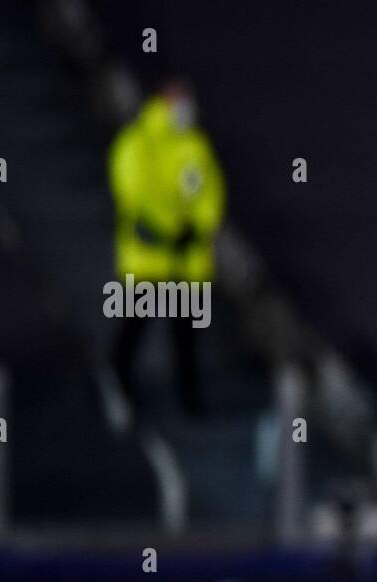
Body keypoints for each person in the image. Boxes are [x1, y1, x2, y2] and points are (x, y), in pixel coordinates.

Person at [108, 79, 225, 420]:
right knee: (134, 328)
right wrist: (171, 228)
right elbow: (135, 192)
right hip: (146, 259)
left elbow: (211, 192)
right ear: (163, 101)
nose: (186, 107)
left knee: (185, 336)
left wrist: (196, 227)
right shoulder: (136, 142)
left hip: (186, 262)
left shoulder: (195, 145)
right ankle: (116, 393)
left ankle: (190, 403)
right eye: (180, 100)